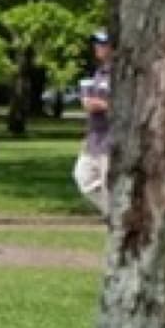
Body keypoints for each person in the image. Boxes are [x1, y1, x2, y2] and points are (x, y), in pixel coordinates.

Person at [73, 30, 113, 214]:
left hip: (112, 140)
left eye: (103, 43)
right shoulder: (97, 73)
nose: (99, 47)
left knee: (108, 183)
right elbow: (87, 101)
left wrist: (104, 105)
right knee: (83, 178)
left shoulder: (122, 73)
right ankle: (113, 214)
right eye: (97, 43)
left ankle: (116, 218)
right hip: (94, 139)